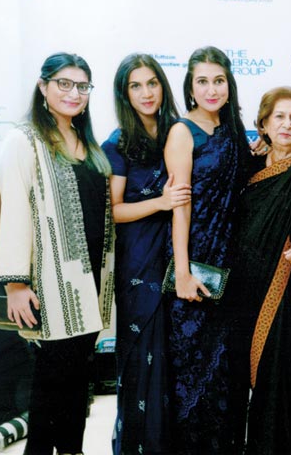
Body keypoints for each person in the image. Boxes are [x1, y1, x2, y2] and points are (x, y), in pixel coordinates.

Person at [0, 52, 115, 455]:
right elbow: (14, 211)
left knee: (78, 377)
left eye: (82, 86)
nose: (73, 93)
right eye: (64, 83)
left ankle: (71, 450)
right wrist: (15, 284)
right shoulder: (24, 140)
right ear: (43, 86)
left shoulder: (88, 142)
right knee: (52, 380)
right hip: (51, 280)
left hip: (91, 281)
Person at [228, 86, 291, 454]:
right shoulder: (250, 167)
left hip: (289, 285)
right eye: (279, 117)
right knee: (244, 374)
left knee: (280, 375)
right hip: (244, 286)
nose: (287, 124)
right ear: (264, 125)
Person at [163, 46, 251, 454]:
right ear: (190, 87)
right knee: (194, 368)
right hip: (197, 262)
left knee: (230, 373)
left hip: (234, 266)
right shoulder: (183, 132)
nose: (212, 89)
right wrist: (182, 272)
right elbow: (180, 207)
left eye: (219, 80)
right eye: (203, 81)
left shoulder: (234, 130)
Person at [102, 54, 190, 455]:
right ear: (124, 94)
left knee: (176, 353)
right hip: (138, 257)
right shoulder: (118, 143)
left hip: (179, 248)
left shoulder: (179, 131)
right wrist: (161, 202)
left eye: (152, 83)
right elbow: (114, 210)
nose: (146, 93)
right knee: (143, 353)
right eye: (135, 86)